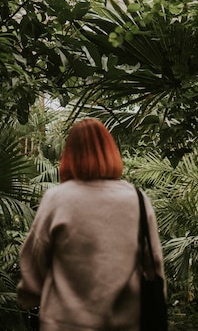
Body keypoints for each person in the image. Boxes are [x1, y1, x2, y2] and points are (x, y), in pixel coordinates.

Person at [17, 117, 165, 331]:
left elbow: (34, 260)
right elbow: (153, 266)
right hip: (125, 323)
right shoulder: (137, 199)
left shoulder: (57, 199)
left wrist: (31, 298)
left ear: (69, 155)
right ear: (110, 152)